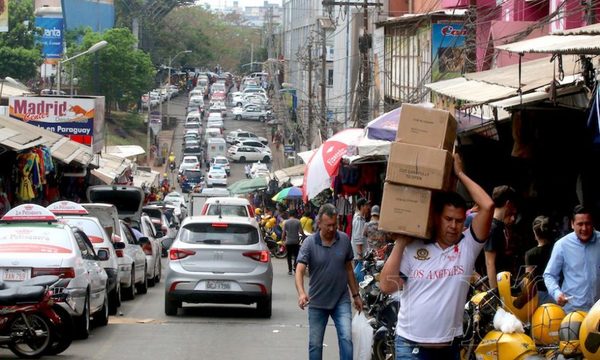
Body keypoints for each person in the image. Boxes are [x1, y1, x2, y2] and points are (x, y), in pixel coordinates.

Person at [379, 153, 494, 359]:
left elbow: (488, 206)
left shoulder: (468, 245)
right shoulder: (413, 247)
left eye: (459, 220)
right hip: (411, 347)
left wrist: (459, 173)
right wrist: (401, 241)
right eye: (448, 219)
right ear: (436, 217)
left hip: (449, 349)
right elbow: (387, 286)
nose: (453, 226)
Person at [295, 203, 362, 360]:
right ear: (319, 223)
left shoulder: (344, 240)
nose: (332, 229)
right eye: (328, 225)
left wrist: (356, 295)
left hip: (341, 300)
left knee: (346, 339)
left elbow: (349, 269)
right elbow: (299, 270)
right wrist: (302, 293)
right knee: (315, 344)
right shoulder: (309, 243)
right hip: (317, 302)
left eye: (334, 225)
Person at [544, 205, 600, 312]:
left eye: (588, 224)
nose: (584, 228)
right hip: (573, 312)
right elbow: (549, 275)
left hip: (598, 311)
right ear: (572, 224)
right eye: (580, 224)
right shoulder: (562, 245)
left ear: (592, 223)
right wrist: (557, 293)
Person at [481, 185, 519, 289]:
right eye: (513, 204)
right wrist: (494, 292)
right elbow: (489, 262)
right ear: (508, 204)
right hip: (496, 287)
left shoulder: (500, 226)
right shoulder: (493, 228)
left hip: (504, 284)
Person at [524, 215, 555, 305]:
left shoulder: (530, 254)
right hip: (558, 291)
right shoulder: (557, 248)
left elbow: (528, 281)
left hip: (540, 296)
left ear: (535, 233)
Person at [283, 209, 305, 275]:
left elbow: (283, 233)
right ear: (295, 214)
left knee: (289, 256)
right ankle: (295, 267)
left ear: (289, 215)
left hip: (288, 242)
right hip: (296, 241)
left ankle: (290, 270)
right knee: (296, 255)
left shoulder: (286, 222)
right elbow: (301, 231)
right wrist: (304, 236)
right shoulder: (298, 222)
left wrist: (282, 240)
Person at [351, 198, 370, 264]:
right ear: (362, 207)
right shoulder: (359, 219)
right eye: (366, 205)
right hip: (359, 255)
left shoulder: (359, 217)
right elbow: (358, 237)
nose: (368, 207)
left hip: (360, 254)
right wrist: (360, 255)